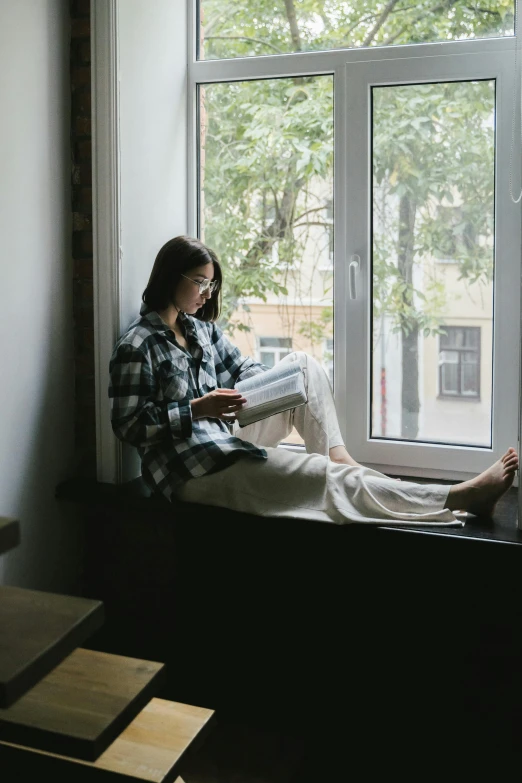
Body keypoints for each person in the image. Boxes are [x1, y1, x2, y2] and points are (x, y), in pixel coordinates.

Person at [109, 235, 518, 527]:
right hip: (192, 470)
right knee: (323, 478)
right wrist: (200, 408)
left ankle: (339, 456)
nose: (206, 291)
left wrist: (266, 389)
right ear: (170, 276)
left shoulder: (199, 330)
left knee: (301, 363)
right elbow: (127, 425)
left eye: (210, 283)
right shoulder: (137, 344)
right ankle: (458, 497)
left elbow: (243, 369)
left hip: (223, 437)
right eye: (199, 281)